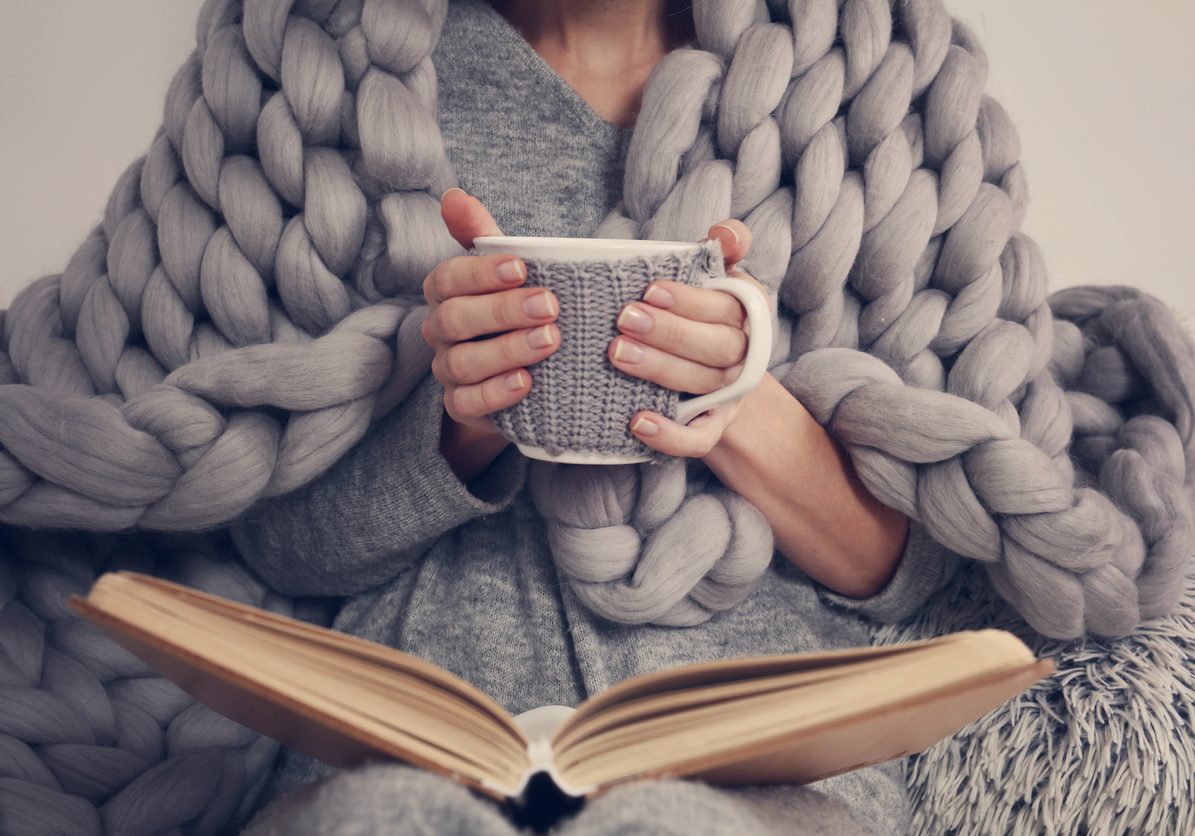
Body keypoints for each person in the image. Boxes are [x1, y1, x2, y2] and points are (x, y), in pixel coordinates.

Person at [233, 1, 956, 832]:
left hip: (769, 766)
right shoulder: (334, 79)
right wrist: (473, 408)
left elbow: (911, 570)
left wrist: (737, 391)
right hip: (411, 740)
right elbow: (281, 551)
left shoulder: (869, 81)